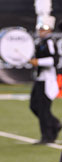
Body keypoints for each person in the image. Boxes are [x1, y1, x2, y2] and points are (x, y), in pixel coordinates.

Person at [29, 15, 61, 144]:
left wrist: (38, 61)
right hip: (40, 78)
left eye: (44, 28)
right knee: (34, 106)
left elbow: (54, 60)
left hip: (47, 79)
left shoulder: (50, 42)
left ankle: (48, 136)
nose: (41, 31)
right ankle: (55, 123)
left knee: (43, 108)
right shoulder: (40, 42)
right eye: (40, 28)